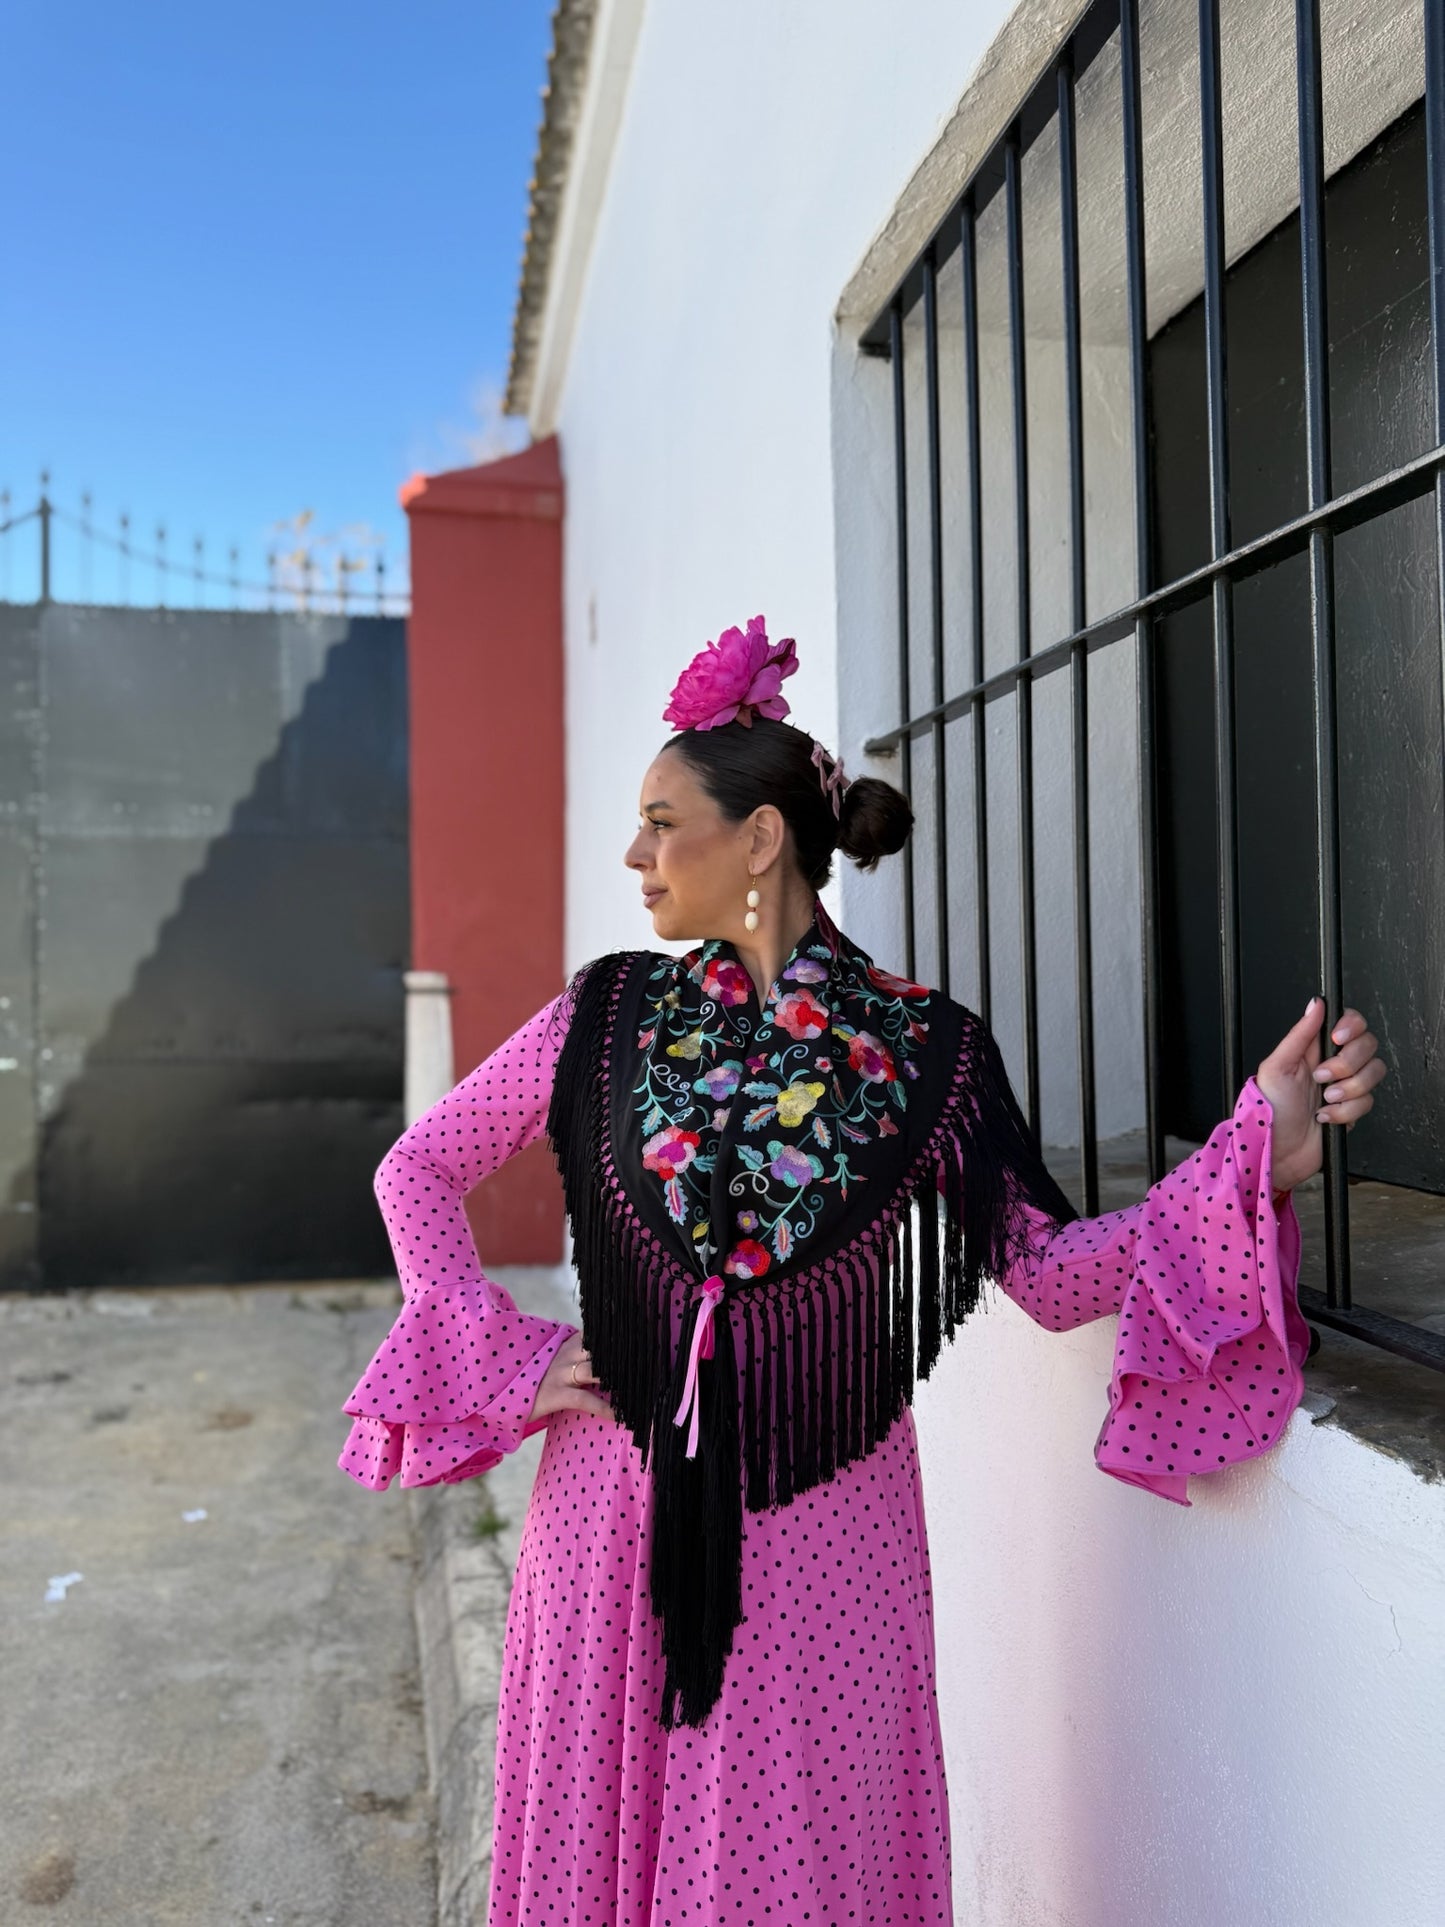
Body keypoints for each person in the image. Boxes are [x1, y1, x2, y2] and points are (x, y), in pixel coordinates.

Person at [338, 617, 1386, 1927]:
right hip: (605, 1521)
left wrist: (1251, 1153)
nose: (633, 855)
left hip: (816, 1543)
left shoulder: (926, 1052)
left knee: (799, 1870)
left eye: (663, 822)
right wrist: (513, 1353)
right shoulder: (602, 1012)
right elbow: (415, 1171)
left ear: (760, 841)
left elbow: (1048, 1274)